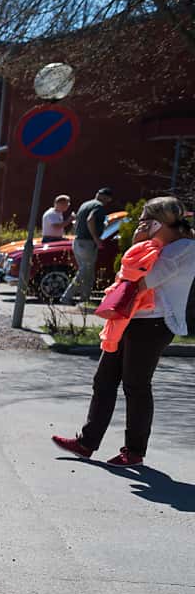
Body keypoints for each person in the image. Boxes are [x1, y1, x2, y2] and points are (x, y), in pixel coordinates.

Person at [52, 197, 195, 467]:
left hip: (154, 324)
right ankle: (86, 442)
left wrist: (138, 245)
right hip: (128, 319)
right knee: (104, 379)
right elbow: (128, 278)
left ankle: (134, 451)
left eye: (144, 221)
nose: (140, 226)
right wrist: (141, 245)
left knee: (136, 385)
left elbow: (142, 282)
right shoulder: (157, 247)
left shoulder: (184, 249)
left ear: (158, 223)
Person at [64, 187, 116, 302]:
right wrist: (96, 238)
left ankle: (84, 298)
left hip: (78, 241)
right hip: (87, 243)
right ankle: (67, 296)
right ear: (106, 197)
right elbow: (90, 219)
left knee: (88, 273)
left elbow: (77, 221)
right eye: (108, 200)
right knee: (84, 271)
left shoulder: (85, 204)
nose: (108, 202)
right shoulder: (98, 206)